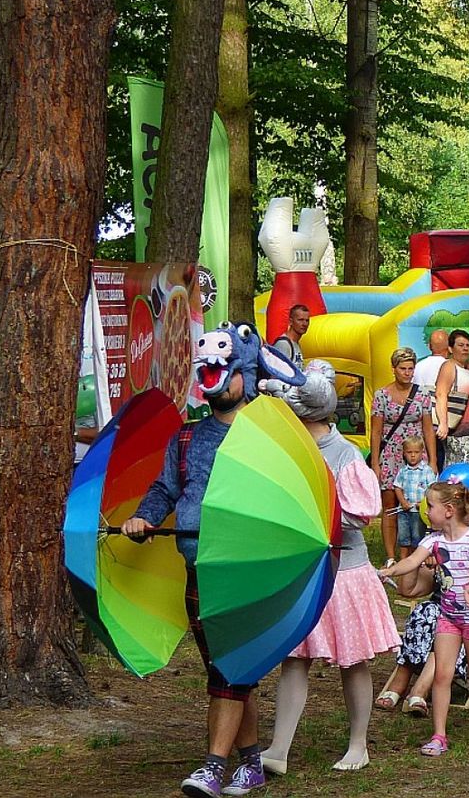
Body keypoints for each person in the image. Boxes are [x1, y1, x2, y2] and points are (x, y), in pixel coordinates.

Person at [120, 324, 305, 798]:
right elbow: (166, 488)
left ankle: (212, 766)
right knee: (227, 669)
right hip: (197, 568)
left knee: (229, 668)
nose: (217, 378)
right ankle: (249, 762)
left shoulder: (267, 435)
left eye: (225, 369)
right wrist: (144, 517)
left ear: (245, 371)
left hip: (248, 573)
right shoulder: (185, 439)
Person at [262, 364, 400, 776]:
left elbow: (361, 515)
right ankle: (278, 748)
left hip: (344, 573)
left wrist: (314, 516)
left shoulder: (344, 454)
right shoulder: (289, 450)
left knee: (353, 659)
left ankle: (359, 743)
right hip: (303, 572)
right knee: (294, 657)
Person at [379, 483, 469, 756]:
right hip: (449, 616)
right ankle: (439, 735)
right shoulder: (433, 541)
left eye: (430, 506)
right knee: (442, 674)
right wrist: (385, 572)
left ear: (449, 510)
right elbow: (412, 562)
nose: (426, 511)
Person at [370, 347, 436, 564]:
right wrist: (375, 463)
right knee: (390, 505)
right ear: (394, 369)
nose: (407, 373)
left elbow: (428, 428)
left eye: (411, 369)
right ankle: (390, 555)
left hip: (417, 452)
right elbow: (376, 431)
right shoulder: (381, 395)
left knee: (419, 504)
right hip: (390, 454)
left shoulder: (422, 394)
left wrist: (433, 460)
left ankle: (417, 552)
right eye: (403, 369)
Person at [434, 328, 469, 467]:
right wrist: (443, 423)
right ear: (450, 348)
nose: (465, 349)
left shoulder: (467, 370)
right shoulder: (449, 366)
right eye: (460, 345)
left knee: (468, 469)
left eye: (467, 345)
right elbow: (441, 394)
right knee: (460, 472)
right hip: (456, 431)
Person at [393, 437, 437, 559]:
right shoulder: (403, 471)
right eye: (409, 452)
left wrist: (424, 503)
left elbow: (431, 489)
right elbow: (397, 487)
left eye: (416, 452)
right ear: (404, 453)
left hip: (418, 512)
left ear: (422, 452)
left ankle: (415, 560)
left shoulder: (427, 471)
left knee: (417, 538)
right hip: (404, 511)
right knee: (403, 538)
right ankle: (403, 561)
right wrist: (402, 502)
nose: (413, 456)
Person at [271, 304, 310, 370]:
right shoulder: (283, 344)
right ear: (290, 321)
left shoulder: (296, 343)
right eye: (300, 320)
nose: (304, 324)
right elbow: (277, 373)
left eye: (307, 320)